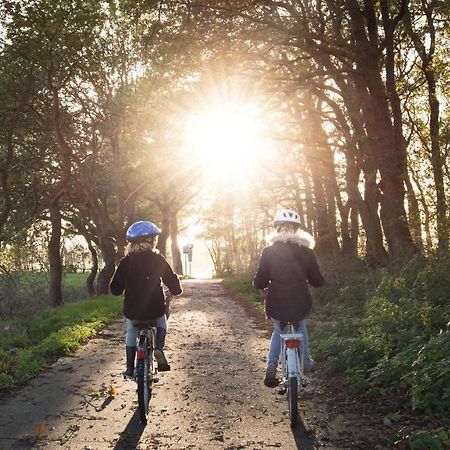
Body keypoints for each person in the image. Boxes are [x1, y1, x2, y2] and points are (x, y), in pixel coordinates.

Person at [253, 209, 325, 387]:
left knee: (279, 329)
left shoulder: (269, 251)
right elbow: (317, 280)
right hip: (300, 299)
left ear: (277, 229)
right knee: (300, 324)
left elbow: (260, 280)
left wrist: (260, 284)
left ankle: (271, 366)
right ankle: (306, 361)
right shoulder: (306, 251)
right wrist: (313, 280)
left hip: (276, 300)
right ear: (296, 230)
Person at [110, 220, 182, 377]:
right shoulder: (158, 260)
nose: (155, 242)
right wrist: (176, 290)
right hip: (155, 310)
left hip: (133, 311)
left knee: (131, 330)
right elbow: (173, 284)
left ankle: (129, 368)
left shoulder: (125, 263)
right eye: (154, 239)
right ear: (150, 241)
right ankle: (159, 349)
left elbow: (114, 289)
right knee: (162, 321)